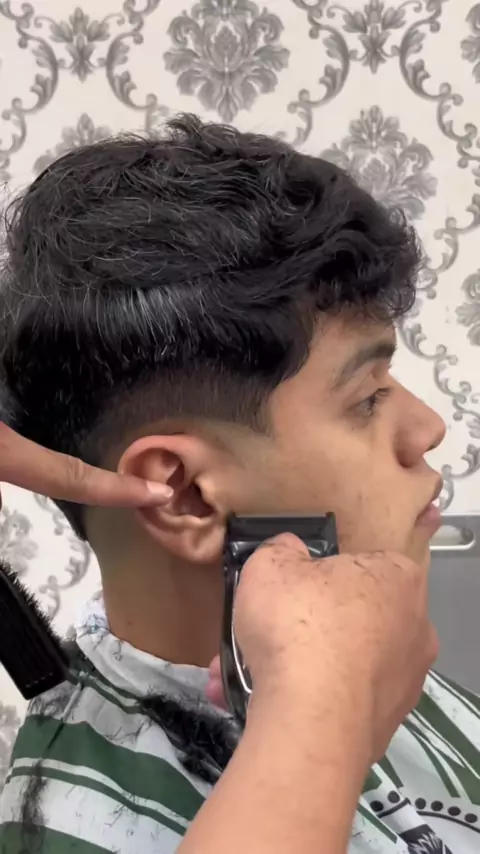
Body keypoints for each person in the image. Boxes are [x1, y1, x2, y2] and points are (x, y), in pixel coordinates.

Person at [0, 114, 477, 853]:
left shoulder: (366, 640)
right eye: (367, 397)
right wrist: (321, 713)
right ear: (186, 494)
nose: (428, 428)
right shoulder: (75, 830)